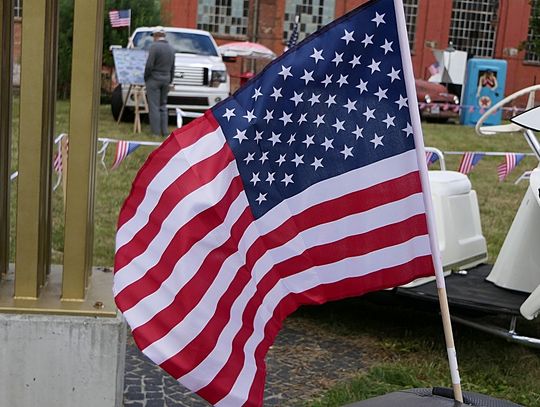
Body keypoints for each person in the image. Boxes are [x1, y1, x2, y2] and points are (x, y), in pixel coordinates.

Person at [144, 26, 175, 137]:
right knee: (163, 105)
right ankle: (165, 131)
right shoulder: (171, 48)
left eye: (153, 36)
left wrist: (146, 78)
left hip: (154, 79)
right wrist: (170, 80)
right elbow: (172, 67)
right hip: (166, 79)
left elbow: (149, 65)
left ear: (156, 35)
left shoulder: (154, 47)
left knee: (154, 106)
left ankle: (156, 132)